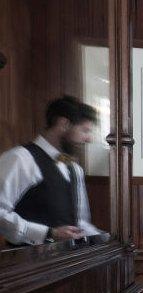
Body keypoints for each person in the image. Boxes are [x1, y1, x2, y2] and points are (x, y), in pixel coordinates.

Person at [0, 95, 104, 246]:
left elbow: (80, 222)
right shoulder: (19, 158)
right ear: (64, 124)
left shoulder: (75, 169)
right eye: (85, 130)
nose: (89, 139)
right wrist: (48, 233)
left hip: (66, 264)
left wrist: (105, 239)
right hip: (26, 264)